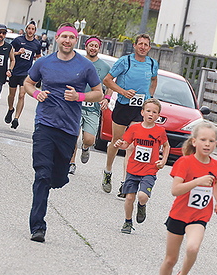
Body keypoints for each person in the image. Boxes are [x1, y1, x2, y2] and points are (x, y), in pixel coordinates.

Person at [23, 23, 102, 243]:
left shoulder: (85, 66)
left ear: (75, 40)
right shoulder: (44, 62)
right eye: (63, 36)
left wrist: (79, 97)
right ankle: (37, 226)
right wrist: (36, 93)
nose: (67, 40)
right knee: (42, 175)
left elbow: (99, 93)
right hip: (45, 125)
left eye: (71, 37)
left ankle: (58, 177)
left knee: (57, 178)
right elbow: (28, 83)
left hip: (68, 129)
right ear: (56, 39)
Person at [149, 121, 217, 275]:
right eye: (203, 140)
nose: (207, 144)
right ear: (194, 141)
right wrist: (197, 181)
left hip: (199, 216)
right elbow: (175, 190)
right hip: (179, 215)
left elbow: (215, 182)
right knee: (170, 259)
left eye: (212, 141)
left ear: (216, 144)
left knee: (193, 247)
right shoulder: (185, 162)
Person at [102, 33, 158, 198]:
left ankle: (126, 183)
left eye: (145, 45)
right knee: (117, 142)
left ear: (149, 47)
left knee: (132, 146)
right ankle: (108, 170)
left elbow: (154, 80)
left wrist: (150, 97)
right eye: (140, 44)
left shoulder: (152, 64)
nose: (142, 47)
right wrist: (123, 92)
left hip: (139, 109)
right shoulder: (124, 61)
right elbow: (107, 80)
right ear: (134, 45)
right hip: (123, 107)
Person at [113, 98, 169, 233]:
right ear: (142, 112)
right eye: (148, 111)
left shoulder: (159, 132)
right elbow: (126, 144)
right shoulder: (134, 128)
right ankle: (127, 222)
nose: (151, 114)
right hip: (133, 168)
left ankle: (142, 205)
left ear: (158, 116)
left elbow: (166, 146)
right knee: (129, 197)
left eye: (154, 112)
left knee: (142, 196)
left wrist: (163, 161)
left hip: (149, 170)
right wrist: (120, 144)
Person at [68, 36, 111, 174]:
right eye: (90, 45)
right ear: (86, 46)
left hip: (93, 108)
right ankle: (71, 162)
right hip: (76, 104)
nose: (93, 48)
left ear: (99, 48)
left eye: (96, 46)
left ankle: (85, 148)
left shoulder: (104, 67)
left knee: (89, 139)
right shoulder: (77, 61)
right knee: (74, 134)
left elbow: (109, 84)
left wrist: (107, 98)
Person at [3, 20, 41, 129]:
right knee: (12, 95)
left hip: (26, 73)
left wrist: (38, 68)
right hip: (15, 71)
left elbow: (39, 57)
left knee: (21, 95)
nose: (30, 31)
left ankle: (16, 118)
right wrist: (18, 53)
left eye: (32, 29)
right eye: (29, 28)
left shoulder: (36, 44)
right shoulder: (18, 40)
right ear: (26, 29)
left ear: (35, 31)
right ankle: (11, 109)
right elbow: (9, 52)